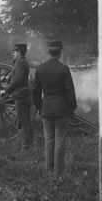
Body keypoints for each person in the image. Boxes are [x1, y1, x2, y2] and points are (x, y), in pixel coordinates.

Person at [32, 40, 77, 182]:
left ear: (49, 52)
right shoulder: (64, 69)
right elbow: (70, 92)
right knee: (59, 140)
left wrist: (39, 107)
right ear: (60, 52)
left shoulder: (40, 69)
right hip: (62, 109)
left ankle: (49, 170)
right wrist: (71, 108)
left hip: (46, 109)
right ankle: (58, 173)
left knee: (49, 140)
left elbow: (35, 91)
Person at [4, 43, 34, 149]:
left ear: (19, 52)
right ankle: (30, 143)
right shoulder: (21, 61)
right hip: (24, 94)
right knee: (26, 121)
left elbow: (18, 80)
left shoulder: (20, 62)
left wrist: (7, 90)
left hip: (21, 95)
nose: (13, 54)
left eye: (15, 51)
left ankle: (26, 145)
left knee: (24, 121)